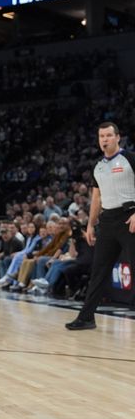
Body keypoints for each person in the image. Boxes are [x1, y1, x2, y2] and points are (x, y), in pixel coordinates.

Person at [66, 122, 135, 330]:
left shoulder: (130, 158)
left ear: (117, 137)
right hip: (107, 221)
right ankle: (86, 317)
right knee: (99, 271)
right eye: (101, 136)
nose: (104, 139)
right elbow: (96, 198)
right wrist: (90, 226)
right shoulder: (98, 166)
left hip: (129, 217)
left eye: (108, 135)